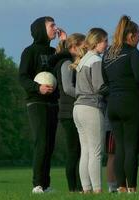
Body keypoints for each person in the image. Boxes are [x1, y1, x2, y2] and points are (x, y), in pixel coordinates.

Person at [102, 15, 139, 193]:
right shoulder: (132, 52)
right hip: (131, 103)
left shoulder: (108, 54)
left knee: (120, 148)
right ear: (131, 36)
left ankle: (121, 187)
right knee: (131, 147)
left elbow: (106, 81)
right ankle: (132, 188)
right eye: (138, 35)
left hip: (113, 106)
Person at [19, 16, 67, 193]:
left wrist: (64, 43)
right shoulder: (29, 52)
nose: (55, 28)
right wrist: (38, 88)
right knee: (41, 141)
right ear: (40, 29)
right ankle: (37, 184)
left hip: (53, 103)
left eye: (55, 24)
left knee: (50, 144)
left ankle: (46, 185)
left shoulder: (54, 51)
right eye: (51, 25)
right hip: (36, 102)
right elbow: (22, 77)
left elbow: (66, 60)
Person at [72, 28, 108, 193]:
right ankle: (98, 190)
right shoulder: (95, 60)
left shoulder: (83, 60)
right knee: (96, 152)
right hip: (91, 108)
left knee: (85, 150)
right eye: (105, 41)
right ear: (97, 42)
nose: (107, 45)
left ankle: (86, 189)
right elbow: (99, 86)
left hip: (78, 108)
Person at [54, 33, 85, 192]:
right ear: (73, 47)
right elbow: (67, 88)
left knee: (78, 151)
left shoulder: (69, 61)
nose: (85, 48)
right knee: (74, 151)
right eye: (82, 46)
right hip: (68, 112)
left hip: (70, 111)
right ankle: (73, 188)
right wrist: (85, 94)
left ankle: (78, 187)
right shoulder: (66, 62)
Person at [104, 109, 117, 193]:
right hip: (112, 126)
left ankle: (124, 186)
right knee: (112, 155)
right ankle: (112, 187)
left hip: (125, 125)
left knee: (125, 154)